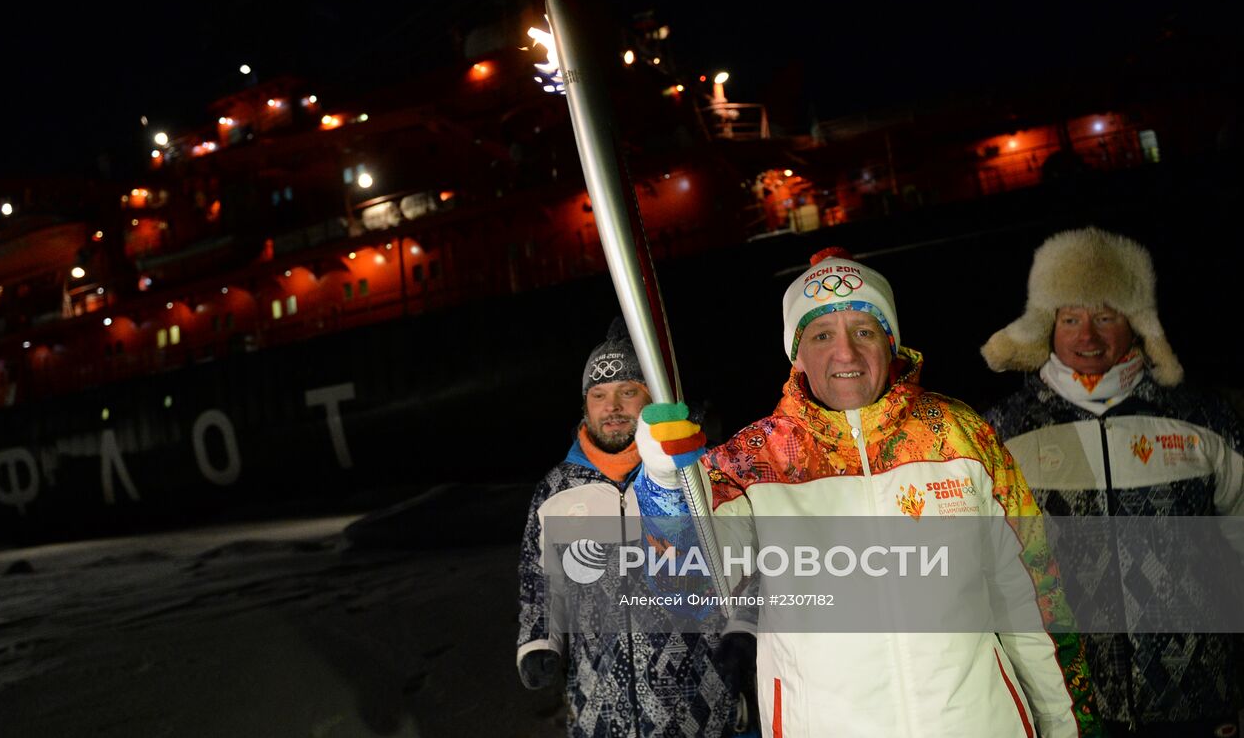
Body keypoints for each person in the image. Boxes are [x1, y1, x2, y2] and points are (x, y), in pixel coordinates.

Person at [633, 247, 1100, 737]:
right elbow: (685, 587)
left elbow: (1033, 600)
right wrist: (664, 482)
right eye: (821, 335)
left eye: (864, 331)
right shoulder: (753, 463)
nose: (846, 353)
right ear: (798, 354)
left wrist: (1069, 726)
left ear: (889, 342)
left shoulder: (960, 437)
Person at [982, 227, 1244, 737]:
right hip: (1071, 703)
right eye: (1070, 318)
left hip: (1199, 697)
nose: (1088, 337)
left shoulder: (1201, 416)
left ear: (1139, 323)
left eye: (1106, 316)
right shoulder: (1003, 433)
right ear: (1046, 326)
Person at [516, 318, 745, 738]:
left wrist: (744, 632)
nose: (613, 406)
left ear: (652, 399)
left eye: (628, 391)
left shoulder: (698, 473)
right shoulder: (556, 491)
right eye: (599, 394)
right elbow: (540, 582)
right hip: (598, 710)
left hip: (700, 707)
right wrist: (538, 643)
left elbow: (746, 564)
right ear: (585, 404)